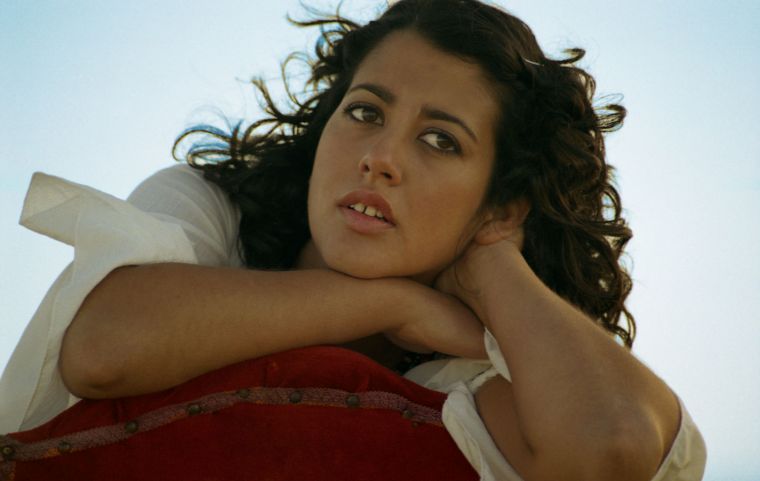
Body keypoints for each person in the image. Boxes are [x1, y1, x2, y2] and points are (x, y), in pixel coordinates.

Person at [0, 0, 706, 479]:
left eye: (440, 140)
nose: (381, 157)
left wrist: (492, 259)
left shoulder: (478, 374)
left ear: (499, 205)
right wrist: (394, 303)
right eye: (365, 112)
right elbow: (103, 351)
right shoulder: (205, 209)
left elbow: (610, 448)